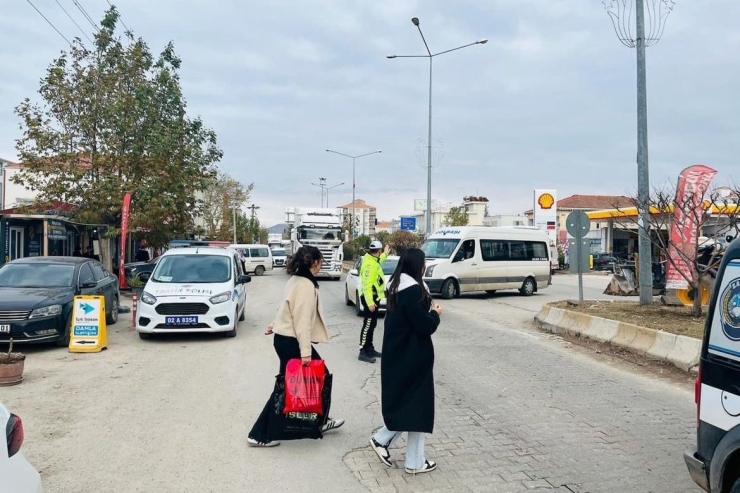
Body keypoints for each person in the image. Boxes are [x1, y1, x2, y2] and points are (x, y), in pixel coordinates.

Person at [247, 245, 344, 447]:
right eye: (321, 262)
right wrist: (306, 352)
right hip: (292, 342)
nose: (321, 265)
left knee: (315, 379)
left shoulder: (296, 279)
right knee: (287, 387)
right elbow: (302, 321)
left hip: (285, 338)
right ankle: (258, 435)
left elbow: (285, 306)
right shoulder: (305, 285)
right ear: (315, 262)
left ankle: (321, 420)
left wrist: (275, 324)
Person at [368, 248, 442, 474]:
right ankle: (413, 461)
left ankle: (387, 443)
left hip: (398, 355)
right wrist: (436, 313)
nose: (424, 267)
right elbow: (424, 326)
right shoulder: (412, 291)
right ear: (416, 266)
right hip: (413, 358)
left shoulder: (396, 286)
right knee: (417, 408)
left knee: (409, 406)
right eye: (423, 264)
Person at [358, 240, 391, 363]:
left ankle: (369, 348)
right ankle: (362, 351)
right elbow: (366, 285)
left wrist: (386, 254)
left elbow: (379, 260)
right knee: (368, 325)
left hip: (374, 298)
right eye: (381, 251)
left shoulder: (373, 260)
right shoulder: (369, 264)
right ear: (379, 251)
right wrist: (370, 302)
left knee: (372, 324)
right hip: (369, 299)